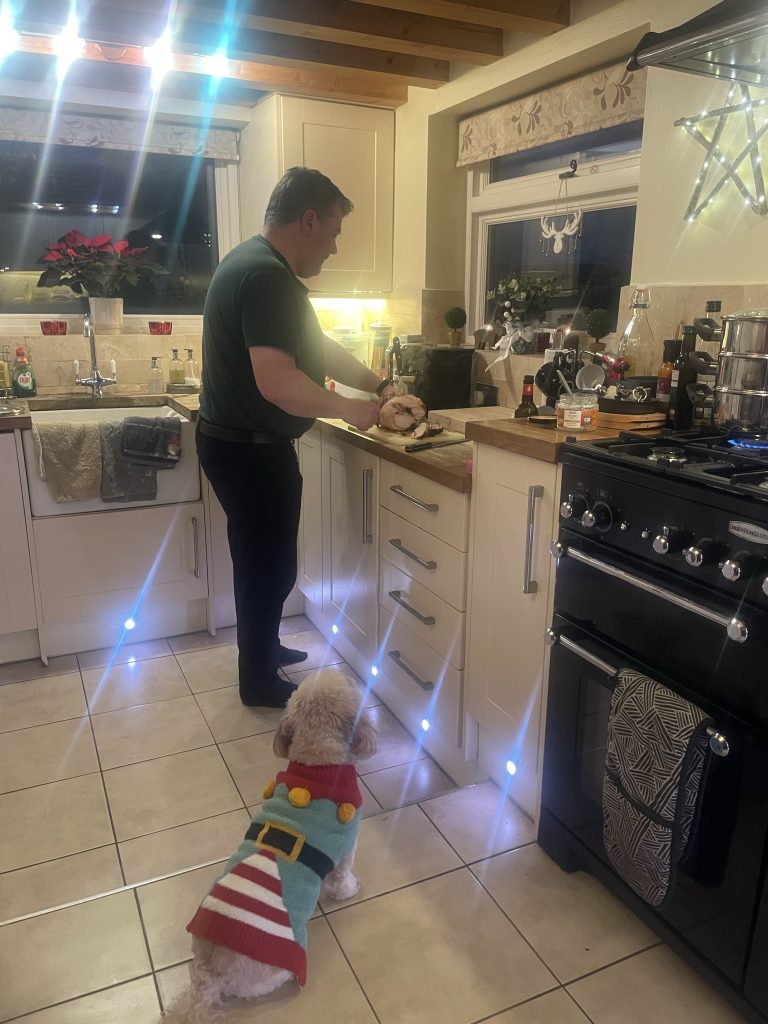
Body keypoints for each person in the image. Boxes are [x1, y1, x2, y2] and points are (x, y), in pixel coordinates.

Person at [196, 166, 385, 708]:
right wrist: (350, 409)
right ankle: (257, 681)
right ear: (308, 221)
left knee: (259, 561)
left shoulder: (251, 261)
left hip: (234, 444)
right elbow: (277, 383)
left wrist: (378, 384)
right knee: (268, 567)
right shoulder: (268, 278)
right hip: (250, 450)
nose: (334, 247)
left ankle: (263, 649)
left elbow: (316, 348)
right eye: (334, 232)